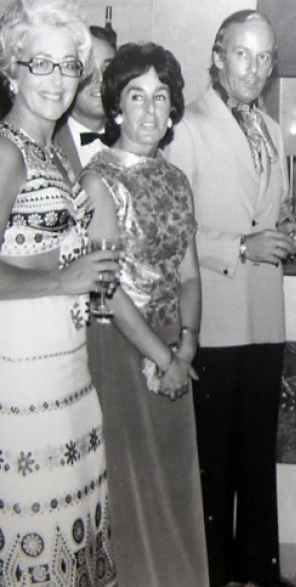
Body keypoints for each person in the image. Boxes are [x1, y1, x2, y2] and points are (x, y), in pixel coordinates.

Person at [167, 9, 296, 587]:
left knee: (256, 456)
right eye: (243, 54)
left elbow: (270, 212)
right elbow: (172, 231)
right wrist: (241, 246)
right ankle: (214, 573)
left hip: (265, 316)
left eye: (265, 56)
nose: (255, 68)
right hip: (213, 317)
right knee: (214, 461)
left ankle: (261, 569)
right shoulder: (185, 127)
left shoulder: (272, 132)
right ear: (219, 56)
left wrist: (290, 228)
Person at [0, 0, 121, 583]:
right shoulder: (4, 153)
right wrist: (63, 279)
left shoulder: (53, 154)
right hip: (21, 378)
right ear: (11, 69)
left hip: (67, 369)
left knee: (73, 529)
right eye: (39, 64)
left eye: (68, 66)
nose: (55, 80)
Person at [81, 42, 208, 586]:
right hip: (118, 347)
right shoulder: (96, 181)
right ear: (115, 107)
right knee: (131, 487)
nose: (151, 110)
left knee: (172, 485)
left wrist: (187, 345)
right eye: (137, 96)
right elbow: (106, 291)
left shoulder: (176, 179)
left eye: (162, 97)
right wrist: (164, 356)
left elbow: (190, 276)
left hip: (170, 345)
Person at [54, 25, 116, 176]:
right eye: (88, 68)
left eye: (107, 69)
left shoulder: (133, 140)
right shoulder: (48, 143)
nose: (100, 79)